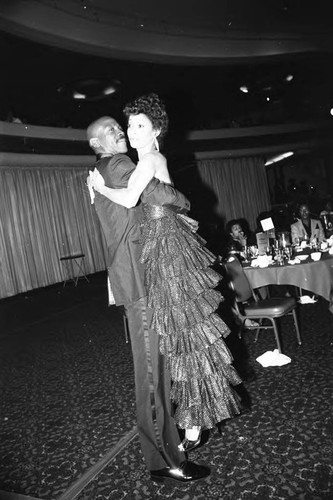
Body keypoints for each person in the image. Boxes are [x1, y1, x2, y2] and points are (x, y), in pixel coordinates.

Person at [88, 94, 242, 455]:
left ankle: (191, 425)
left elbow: (128, 200)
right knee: (182, 333)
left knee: (182, 332)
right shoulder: (141, 160)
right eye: (129, 126)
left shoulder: (148, 159)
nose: (132, 131)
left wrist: (98, 187)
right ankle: (192, 421)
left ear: (156, 130)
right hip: (162, 245)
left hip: (167, 249)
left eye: (140, 125)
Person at [86, 115, 211, 484]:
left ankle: (171, 445)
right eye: (111, 130)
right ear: (96, 143)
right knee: (153, 378)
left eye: (120, 127)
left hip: (139, 278)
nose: (119, 132)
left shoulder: (102, 170)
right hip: (140, 282)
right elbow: (164, 196)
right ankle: (165, 460)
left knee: (157, 371)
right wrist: (184, 196)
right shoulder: (119, 164)